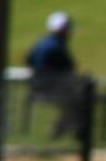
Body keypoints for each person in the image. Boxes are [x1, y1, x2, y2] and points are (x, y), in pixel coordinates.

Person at [25, 11, 81, 140]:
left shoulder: (45, 43)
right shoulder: (54, 46)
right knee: (77, 105)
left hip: (42, 88)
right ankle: (56, 135)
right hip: (48, 89)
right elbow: (68, 68)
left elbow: (29, 61)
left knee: (75, 105)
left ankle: (56, 134)